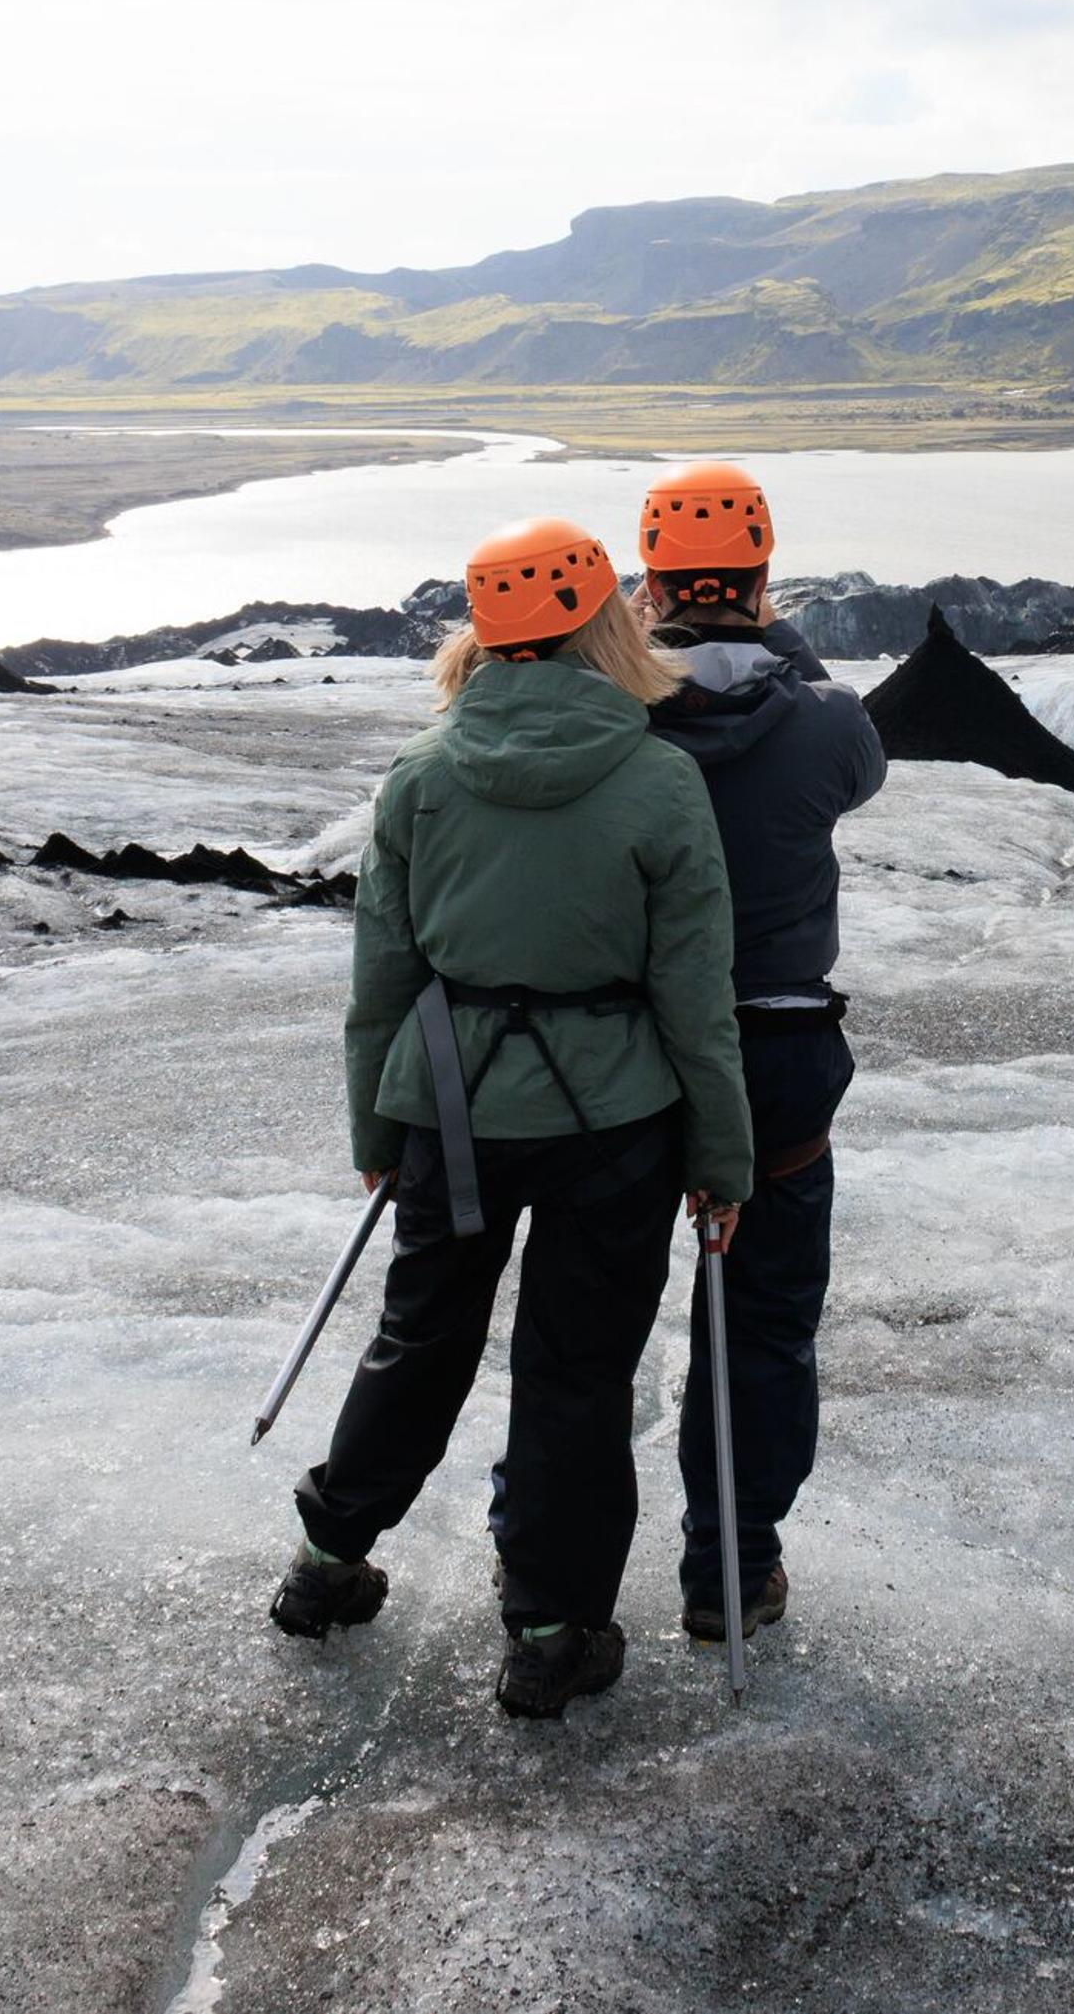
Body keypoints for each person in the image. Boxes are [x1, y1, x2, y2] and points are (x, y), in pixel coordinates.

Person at [271, 515, 754, 1721]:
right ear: (607, 620)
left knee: (421, 1332)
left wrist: (376, 1134)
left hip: (451, 1106)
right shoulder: (658, 777)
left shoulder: (422, 778)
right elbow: (695, 995)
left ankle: (329, 1562)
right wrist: (722, 1156)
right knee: (576, 1373)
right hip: (617, 1123)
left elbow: (381, 977)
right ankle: (549, 1630)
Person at [625, 461, 888, 1648]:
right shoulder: (827, 718)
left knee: (588, 1322)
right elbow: (857, 774)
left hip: (626, 1054)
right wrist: (778, 638)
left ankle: (537, 1543)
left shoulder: (616, 715)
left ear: (649, 577)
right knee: (763, 1322)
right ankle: (730, 1563)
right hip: (779, 1056)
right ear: (765, 573)